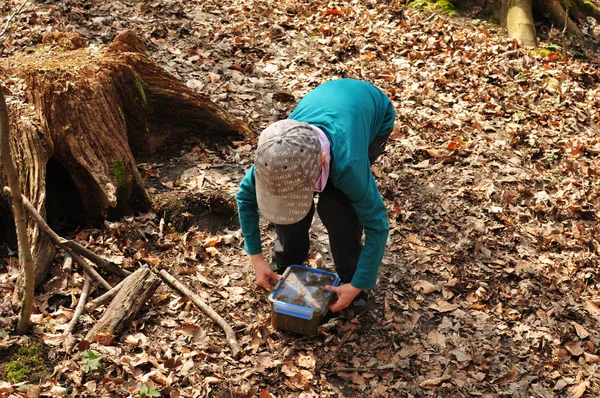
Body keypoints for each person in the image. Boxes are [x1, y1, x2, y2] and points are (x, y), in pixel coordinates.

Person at [236, 78, 395, 318]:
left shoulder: (350, 166)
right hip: (328, 102)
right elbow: (245, 198)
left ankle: (351, 278)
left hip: (373, 112)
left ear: (321, 162)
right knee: (286, 198)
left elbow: (378, 224)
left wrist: (359, 283)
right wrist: (256, 258)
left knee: (338, 206)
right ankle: (288, 259)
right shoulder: (275, 155)